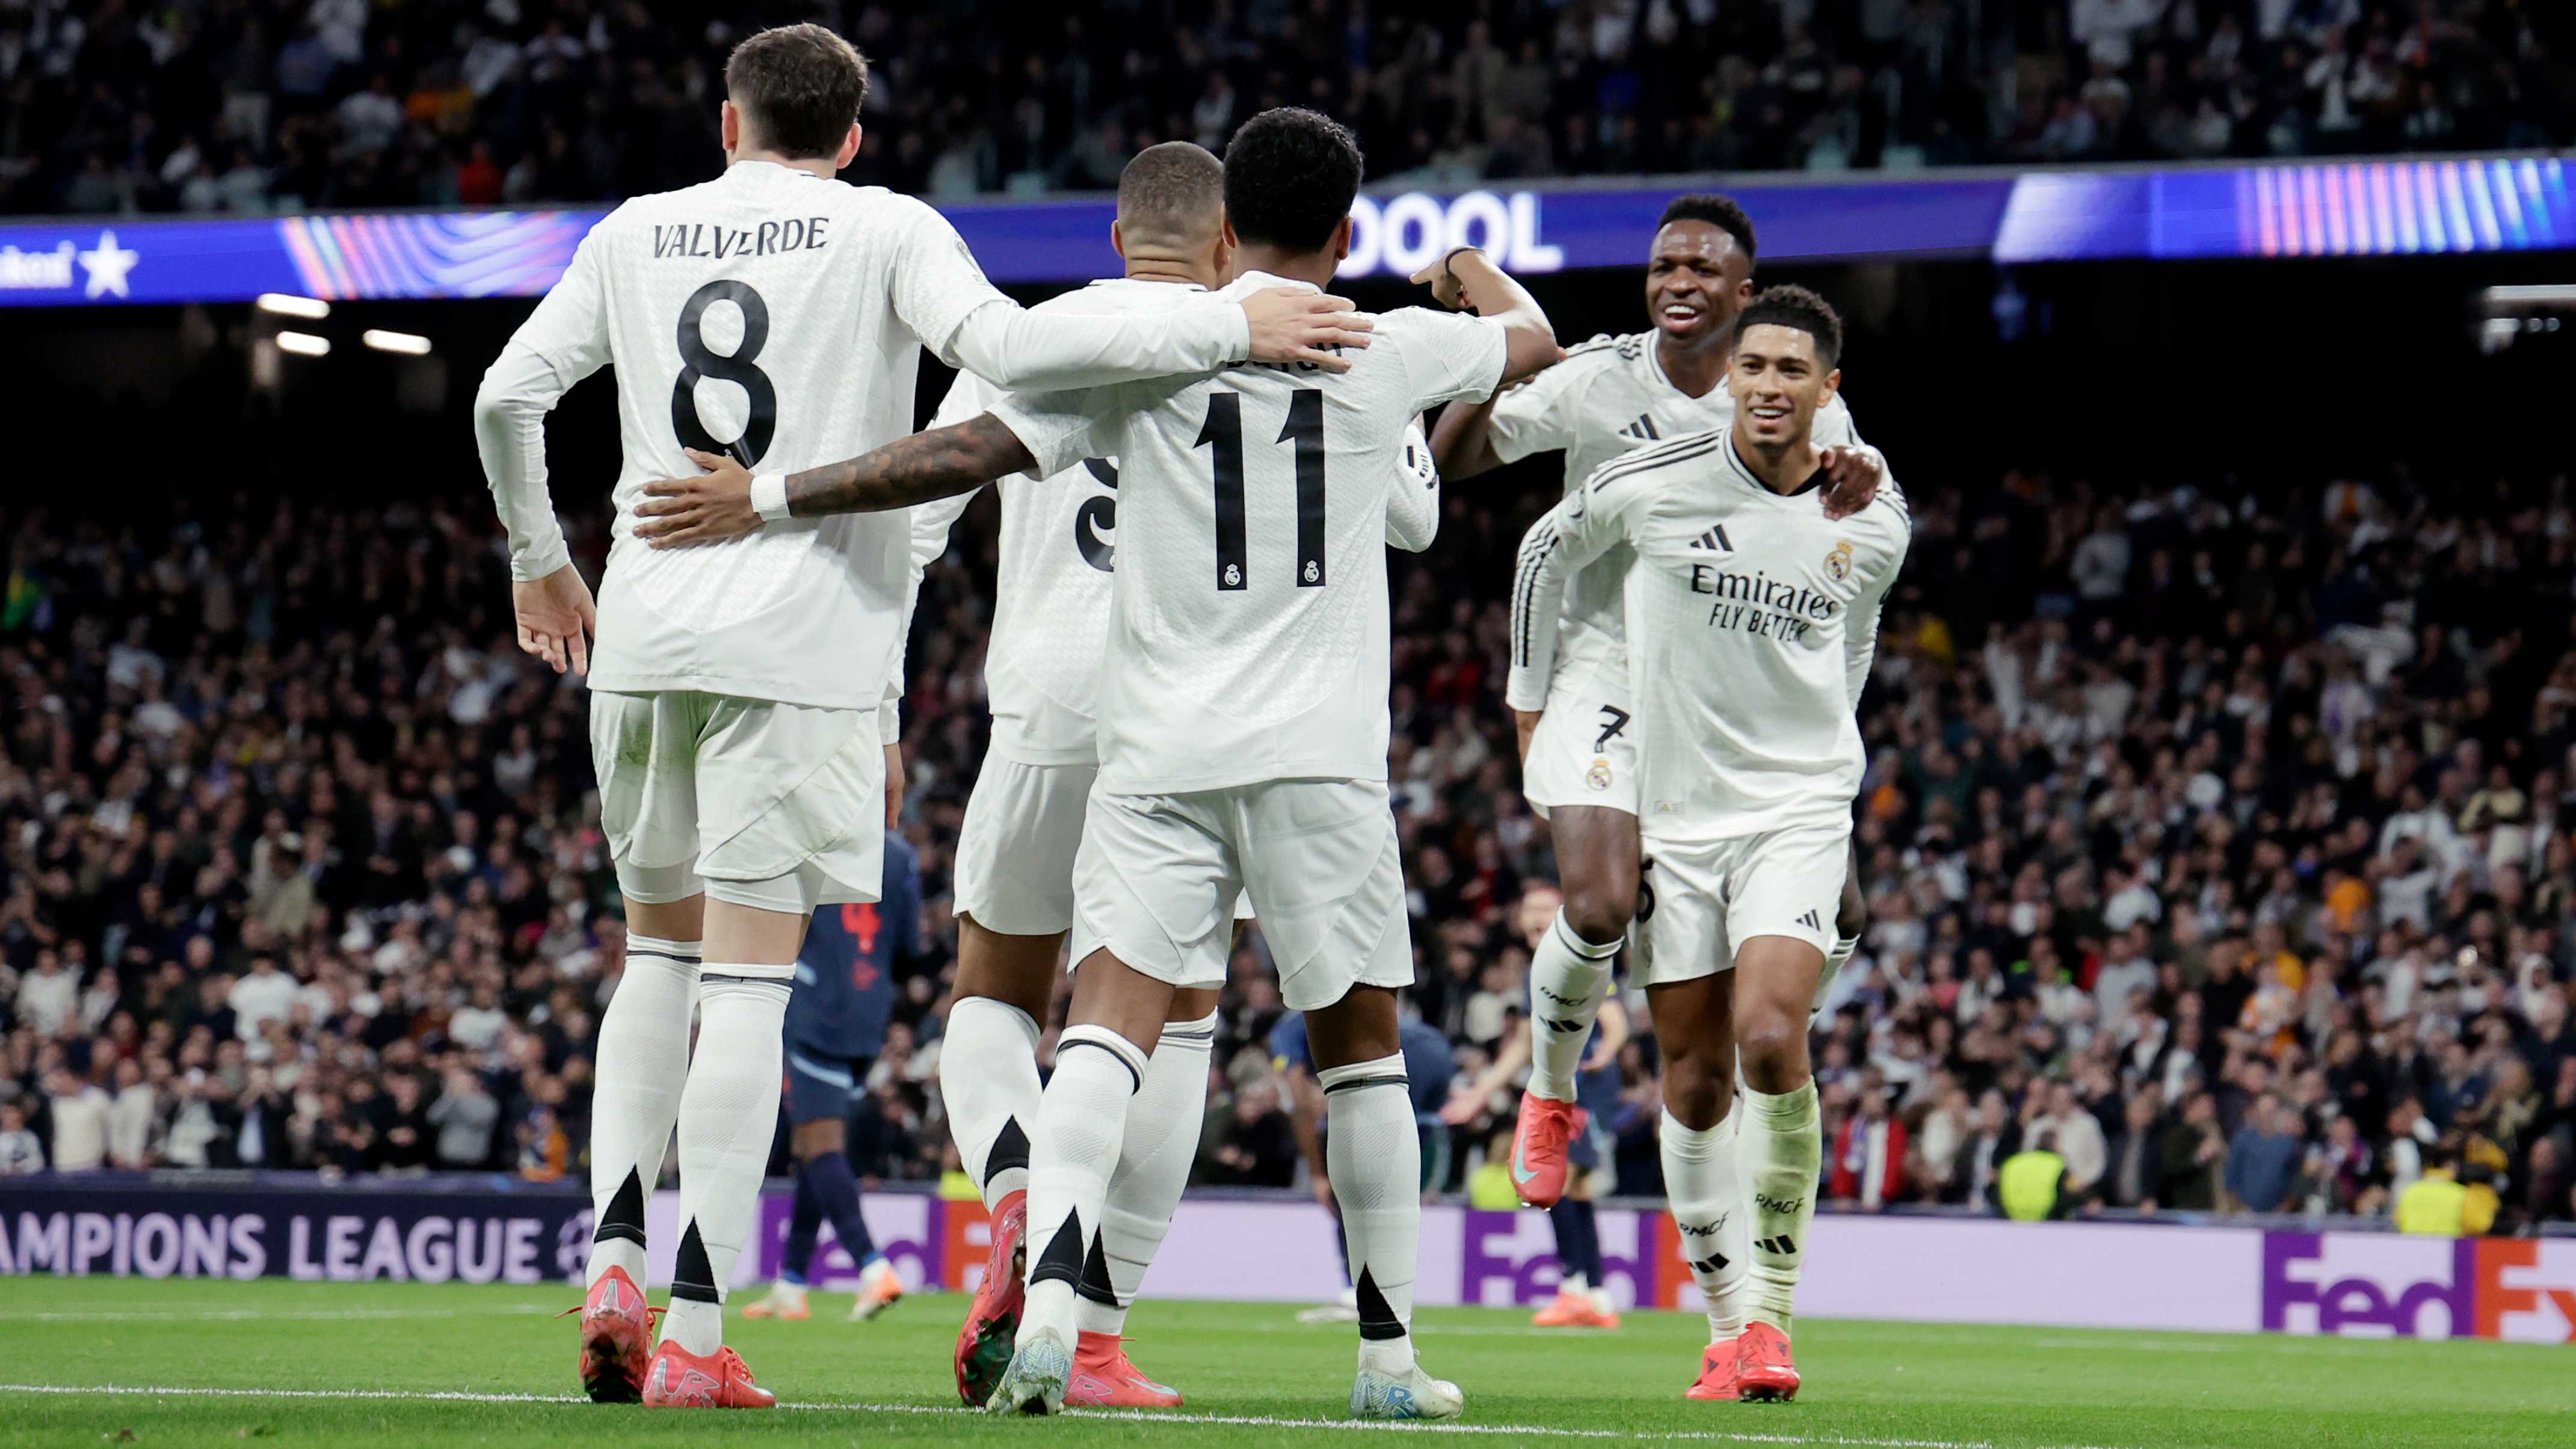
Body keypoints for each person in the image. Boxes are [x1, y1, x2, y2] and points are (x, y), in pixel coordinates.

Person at [470, 23, 1368, 1410]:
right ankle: (700, 1340)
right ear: (852, 136)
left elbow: (505, 394)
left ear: (726, 124)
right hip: (818, 651)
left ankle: (612, 1260)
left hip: (646, 628)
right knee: (761, 995)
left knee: (658, 957)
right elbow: (1014, 350)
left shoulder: (634, 231)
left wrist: (542, 556)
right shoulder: (890, 230)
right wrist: (1227, 319)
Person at [635, 105, 1559, 1420]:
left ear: (1217, 229)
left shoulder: (1135, 354)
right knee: (1353, 1055)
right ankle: (1387, 1362)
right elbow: (1530, 343)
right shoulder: (1390, 351)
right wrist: (1458, 273)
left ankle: (1054, 1315)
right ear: (1344, 235)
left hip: (1148, 749)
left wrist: (767, 497)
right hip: (1316, 763)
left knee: (1093, 1036)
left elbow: (956, 457)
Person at [892, 141, 1444, 1412]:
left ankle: (1025, 1193)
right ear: (1223, 247)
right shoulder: (1286, 327)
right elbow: (1408, 512)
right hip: (1196, 709)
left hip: (1042, 704)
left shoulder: (1035, 335)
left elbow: (918, 512)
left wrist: (877, 704)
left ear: (1114, 237)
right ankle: (1094, 1327)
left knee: (998, 994)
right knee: (1172, 1016)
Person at [1430, 193, 1882, 1212]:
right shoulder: (1596, 379)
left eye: (1701, 268)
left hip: (1730, 695)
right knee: (1592, 903)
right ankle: (1548, 1093)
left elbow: (1847, 573)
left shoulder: (1791, 400)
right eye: (1663, 266)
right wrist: (1496, 355)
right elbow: (1456, 459)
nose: (1678, 282)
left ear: (1743, 294)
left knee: (1841, 916)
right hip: (1601, 674)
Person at [1507, 285, 1909, 1403]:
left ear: (1828, 390)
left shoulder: (1870, 514)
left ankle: (1772, 1322)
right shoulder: (1653, 483)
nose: (1770, 386)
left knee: (1771, 1036)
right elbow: (1544, 550)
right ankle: (1726, 1326)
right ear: (1729, 375)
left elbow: (1854, 644)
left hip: (1794, 809)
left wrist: (1836, 805)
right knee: (1691, 1081)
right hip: (1675, 814)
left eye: (1793, 370)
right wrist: (1530, 703)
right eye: (1755, 366)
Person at [741, 828, 925, 1324]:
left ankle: (873, 1267)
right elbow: (911, 946)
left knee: (820, 1145)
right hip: (869, 1011)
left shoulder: (812, 832)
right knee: (809, 1143)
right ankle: (792, 1281)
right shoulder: (902, 854)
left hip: (815, 1005)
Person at [1442, 883, 1630, 1329]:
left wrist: (1605, 1053)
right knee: (1578, 1188)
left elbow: (1616, 1020)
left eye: (1545, 909)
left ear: (1563, 914)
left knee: (1560, 1181)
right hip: (1567, 1086)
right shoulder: (1538, 970)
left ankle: (1572, 1287)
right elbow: (1524, 1046)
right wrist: (1479, 1092)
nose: (1534, 918)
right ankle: (1596, 1294)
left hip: (1585, 1085)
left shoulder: (1578, 960)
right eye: (1528, 910)